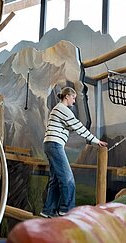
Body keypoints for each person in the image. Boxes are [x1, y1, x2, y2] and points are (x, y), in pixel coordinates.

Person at [40, 87, 108, 218]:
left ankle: (48, 210)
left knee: (55, 180)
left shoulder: (58, 109)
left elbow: (73, 127)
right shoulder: (62, 109)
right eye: (73, 98)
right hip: (54, 145)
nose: (74, 101)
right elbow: (78, 127)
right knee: (68, 178)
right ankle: (67, 210)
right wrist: (95, 141)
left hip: (50, 144)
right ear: (67, 96)